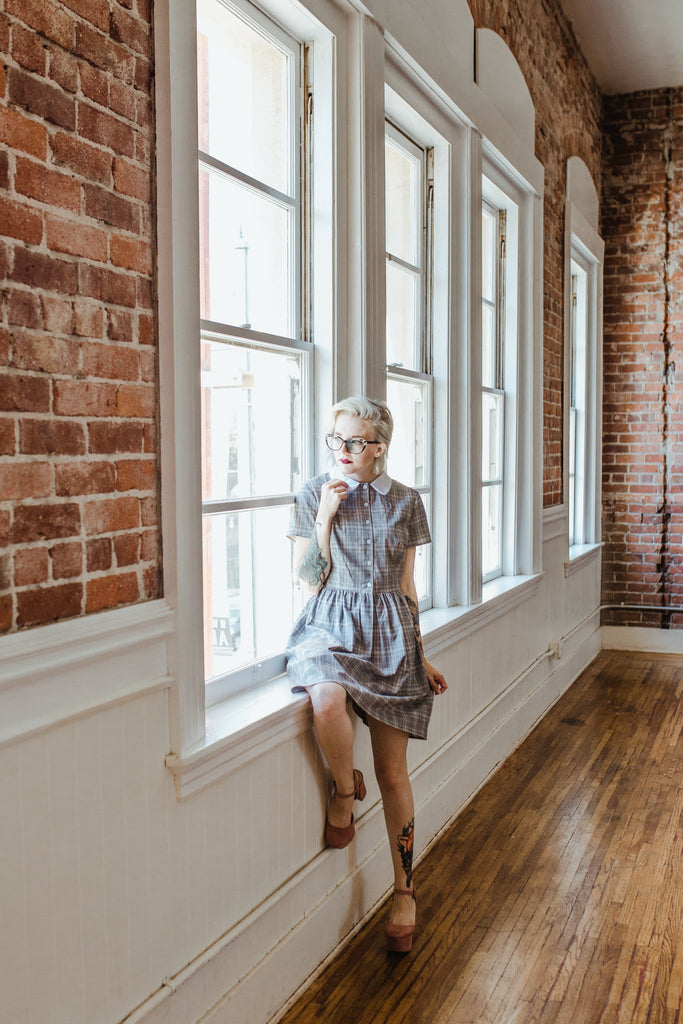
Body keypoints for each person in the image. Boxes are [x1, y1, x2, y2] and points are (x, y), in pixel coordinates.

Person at [285, 395, 447, 953]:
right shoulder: (313, 493)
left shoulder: (406, 501)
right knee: (326, 702)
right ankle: (340, 786)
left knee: (393, 773)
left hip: (392, 635)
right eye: (339, 441)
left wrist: (419, 654)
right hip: (328, 625)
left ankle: (405, 890)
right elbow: (308, 580)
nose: (346, 452)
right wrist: (325, 518)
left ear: (381, 446)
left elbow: (407, 587)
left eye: (357, 442)